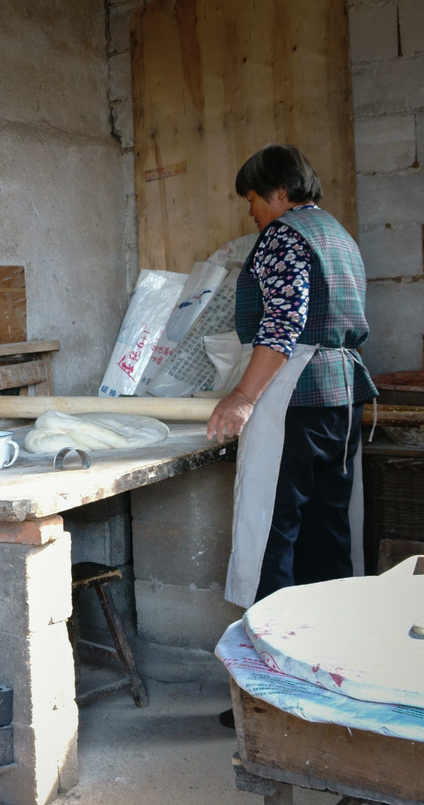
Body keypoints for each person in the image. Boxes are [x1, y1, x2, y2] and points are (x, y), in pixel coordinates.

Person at [208, 145, 377, 726]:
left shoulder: (284, 235)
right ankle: (326, 682)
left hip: (296, 392)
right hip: (342, 395)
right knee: (328, 534)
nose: (251, 212)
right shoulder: (339, 236)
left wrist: (242, 398)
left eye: (252, 200)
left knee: (271, 537)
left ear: (276, 191)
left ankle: (265, 696)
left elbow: (281, 326)